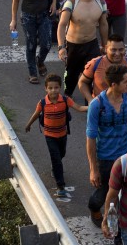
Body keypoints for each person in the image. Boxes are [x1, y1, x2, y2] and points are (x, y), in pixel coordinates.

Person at [86, 63, 127, 227]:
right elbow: (91, 138)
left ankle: (118, 220)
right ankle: (94, 208)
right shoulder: (97, 105)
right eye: (125, 82)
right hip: (106, 158)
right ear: (114, 84)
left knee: (126, 191)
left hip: (126, 155)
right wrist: (93, 169)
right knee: (103, 193)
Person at [24, 73, 88, 202]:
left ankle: (55, 168)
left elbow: (79, 107)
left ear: (60, 88)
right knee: (56, 159)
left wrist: (93, 105)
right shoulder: (42, 103)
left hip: (62, 134)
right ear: (46, 89)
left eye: (56, 87)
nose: (54, 90)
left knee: (61, 154)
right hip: (49, 136)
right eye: (51, 88)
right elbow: (36, 114)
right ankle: (60, 186)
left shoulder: (65, 100)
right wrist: (28, 124)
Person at [57, 0, 109, 97]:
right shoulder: (71, 2)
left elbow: (103, 25)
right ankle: (67, 97)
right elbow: (62, 25)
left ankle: (90, 103)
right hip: (73, 45)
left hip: (91, 44)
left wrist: (105, 44)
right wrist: (61, 47)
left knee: (94, 75)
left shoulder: (101, 3)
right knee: (71, 77)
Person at [78, 34, 127, 123]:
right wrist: (91, 101)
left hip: (124, 114)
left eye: (121, 49)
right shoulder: (95, 64)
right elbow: (82, 82)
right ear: (105, 49)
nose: (117, 53)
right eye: (113, 50)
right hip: (100, 113)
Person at [10, 0, 56, 84]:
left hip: (44, 15)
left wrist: (54, 3)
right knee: (31, 45)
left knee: (46, 43)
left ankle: (40, 61)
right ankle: (32, 73)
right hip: (28, 17)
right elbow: (15, 1)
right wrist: (13, 20)